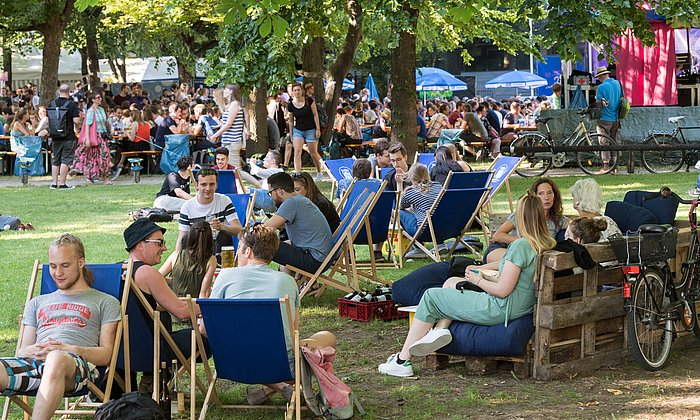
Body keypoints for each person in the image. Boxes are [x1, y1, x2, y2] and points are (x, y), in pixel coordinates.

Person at [378, 193, 556, 377]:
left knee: (432, 296)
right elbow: (519, 282)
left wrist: (478, 280)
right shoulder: (544, 243)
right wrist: (484, 278)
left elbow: (503, 291)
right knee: (453, 284)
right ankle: (438, 331)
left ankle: (402, 360)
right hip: (518, 306)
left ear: (521, 218)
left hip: (500, 308)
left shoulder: (520, 246)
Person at [0, 233, 121, 417]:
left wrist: (68, 349)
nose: (58, 273)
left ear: (81, 262)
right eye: (53, 266)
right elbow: (21, 351)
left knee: (56, 357)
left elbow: (106, 355)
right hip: (34, 366)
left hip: (77, 368)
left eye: (65, 265)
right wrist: (32, 351)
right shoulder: (37, 302)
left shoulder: (105, 301)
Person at [121, 218, 203, 394]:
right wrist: (211, 307)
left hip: (121, 350)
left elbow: (143, 307)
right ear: (140, 244)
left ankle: (151, 380)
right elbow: (181, 313)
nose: (164, 248)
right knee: (204, 340)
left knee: (164, 315)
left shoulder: (119, 271)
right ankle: (154, 380)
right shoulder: (148, 273)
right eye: (159, 243)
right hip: (151, 350)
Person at [265, 172, 334, 275]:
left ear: (279, 191)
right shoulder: (299, 200)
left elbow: (265, 229)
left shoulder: (291, 203)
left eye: (270, 193)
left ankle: (255, 278)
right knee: (277, 243)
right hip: (323, 258)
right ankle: (286, 284)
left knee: (263, 243)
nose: (270, 196)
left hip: (315, 260)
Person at [486, 178, 568, 263]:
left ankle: (478, 269)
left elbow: (576, 225)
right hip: (504, 249)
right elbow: (497, 235)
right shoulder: (522, 214)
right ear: (534, 197)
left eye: (550, 193)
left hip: (530, 258)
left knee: (526, 260)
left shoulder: (558, 219)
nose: (546, 197)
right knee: (520, 258)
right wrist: (527, 242)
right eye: (541, 193)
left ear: (555, 195)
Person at [178, 168, 242, 257]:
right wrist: (177, 260)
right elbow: (182, 238)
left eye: (212, 184)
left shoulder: (224, 201)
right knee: (187, 238)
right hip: (198, 248)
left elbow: (239, 230)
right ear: (197, 185)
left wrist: (222, 227)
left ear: (216, 185)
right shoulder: (187, 207)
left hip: (219, 245)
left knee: (224, 234)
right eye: (203, 184)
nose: (208, 188)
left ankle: (220, 267)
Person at [159, 220, 216, 298]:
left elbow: (157, 277)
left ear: (190, 236)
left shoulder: (176, 255)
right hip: (192, 307)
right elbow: (204, 293)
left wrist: (175, 281)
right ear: (210, 239)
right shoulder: (211, 260)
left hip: (172, 305)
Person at [74, 91, 112, 185]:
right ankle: (105, 177)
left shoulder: (102, 110)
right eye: (98, 97)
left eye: (100, 97)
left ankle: (93, 174)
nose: (100, 99)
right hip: (96, 135)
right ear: (93, 100)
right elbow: (87, 125)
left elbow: (106, 122)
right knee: (103, 155)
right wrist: (87, 138)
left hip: (103, 135)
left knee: (97, 156)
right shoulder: (91, 111)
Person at [287, 83, 323, 178]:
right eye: (295, 90)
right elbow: (291, 121)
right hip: (298, 130)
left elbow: (315, 115)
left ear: (302, 91)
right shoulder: (290, 105)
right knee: (297, 151)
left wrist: (318, 129)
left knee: (313, 153)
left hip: (310, 130)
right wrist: (291, 133)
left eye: (298, 90)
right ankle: (298, 174)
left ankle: (319, 171)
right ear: (292, 92)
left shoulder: (309, 101)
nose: (297, 92)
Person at [209, 84, 248, 169]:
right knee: (230, 168)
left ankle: (257, 182)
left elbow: (229, 124)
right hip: (228, 140)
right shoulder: (230, 105)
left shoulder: (235, 104)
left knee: (236, 170)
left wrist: (215, 135)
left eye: (226, 90)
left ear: (231, 92)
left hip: (233, 140)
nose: (224, 91)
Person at [594, 66, 622, 174]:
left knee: (604, 142)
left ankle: (605, 167)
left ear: (601, 76)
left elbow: (598, 102)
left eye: (598, 77)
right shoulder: (617, 84)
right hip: (616, 118)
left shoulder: (601, 87)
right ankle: (615, 168)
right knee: (615, 142)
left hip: (604, 118)